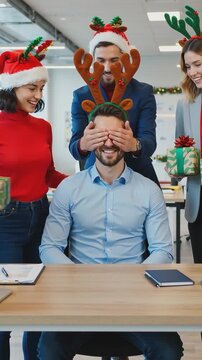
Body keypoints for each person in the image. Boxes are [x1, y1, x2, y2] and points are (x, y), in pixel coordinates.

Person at [38, 103, 183, 360]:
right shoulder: (69, 189)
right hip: (78, 300)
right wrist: (80, 278)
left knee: (168, 349)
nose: (108, 142)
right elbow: (49, 247)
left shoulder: (149, 190)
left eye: (115, 135)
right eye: (101, 134)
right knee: (49, 349)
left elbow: (162, 250)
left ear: (127, 135)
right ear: (89, 136)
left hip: (135, 300)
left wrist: (133, 281)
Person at [0, 37, 68, 360]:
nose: (38, 96)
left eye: (41, 88)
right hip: (6, 222)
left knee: (39, 305)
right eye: (32, 88)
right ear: (12, 86)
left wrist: (86, 182)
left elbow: (49, 175)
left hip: (43, 218)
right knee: (6, 309)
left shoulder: (43, 128)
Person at [69, 16, 159, 185]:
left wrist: (134, 145)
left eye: (114, 61)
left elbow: (149, 141)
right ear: (92, 61)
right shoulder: (81, 96)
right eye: (101, 61)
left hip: (138, 176)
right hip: (95, 177)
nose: (108, 68)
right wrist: (83, 143)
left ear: (124, 59)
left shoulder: (143, 92)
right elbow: (74, 147)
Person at [165, 5, 202, 262]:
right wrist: (176, 169)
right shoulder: (185, 102)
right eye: (188, 67)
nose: (193, 72)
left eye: (198, 64)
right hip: (198, 202)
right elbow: (181, 147)